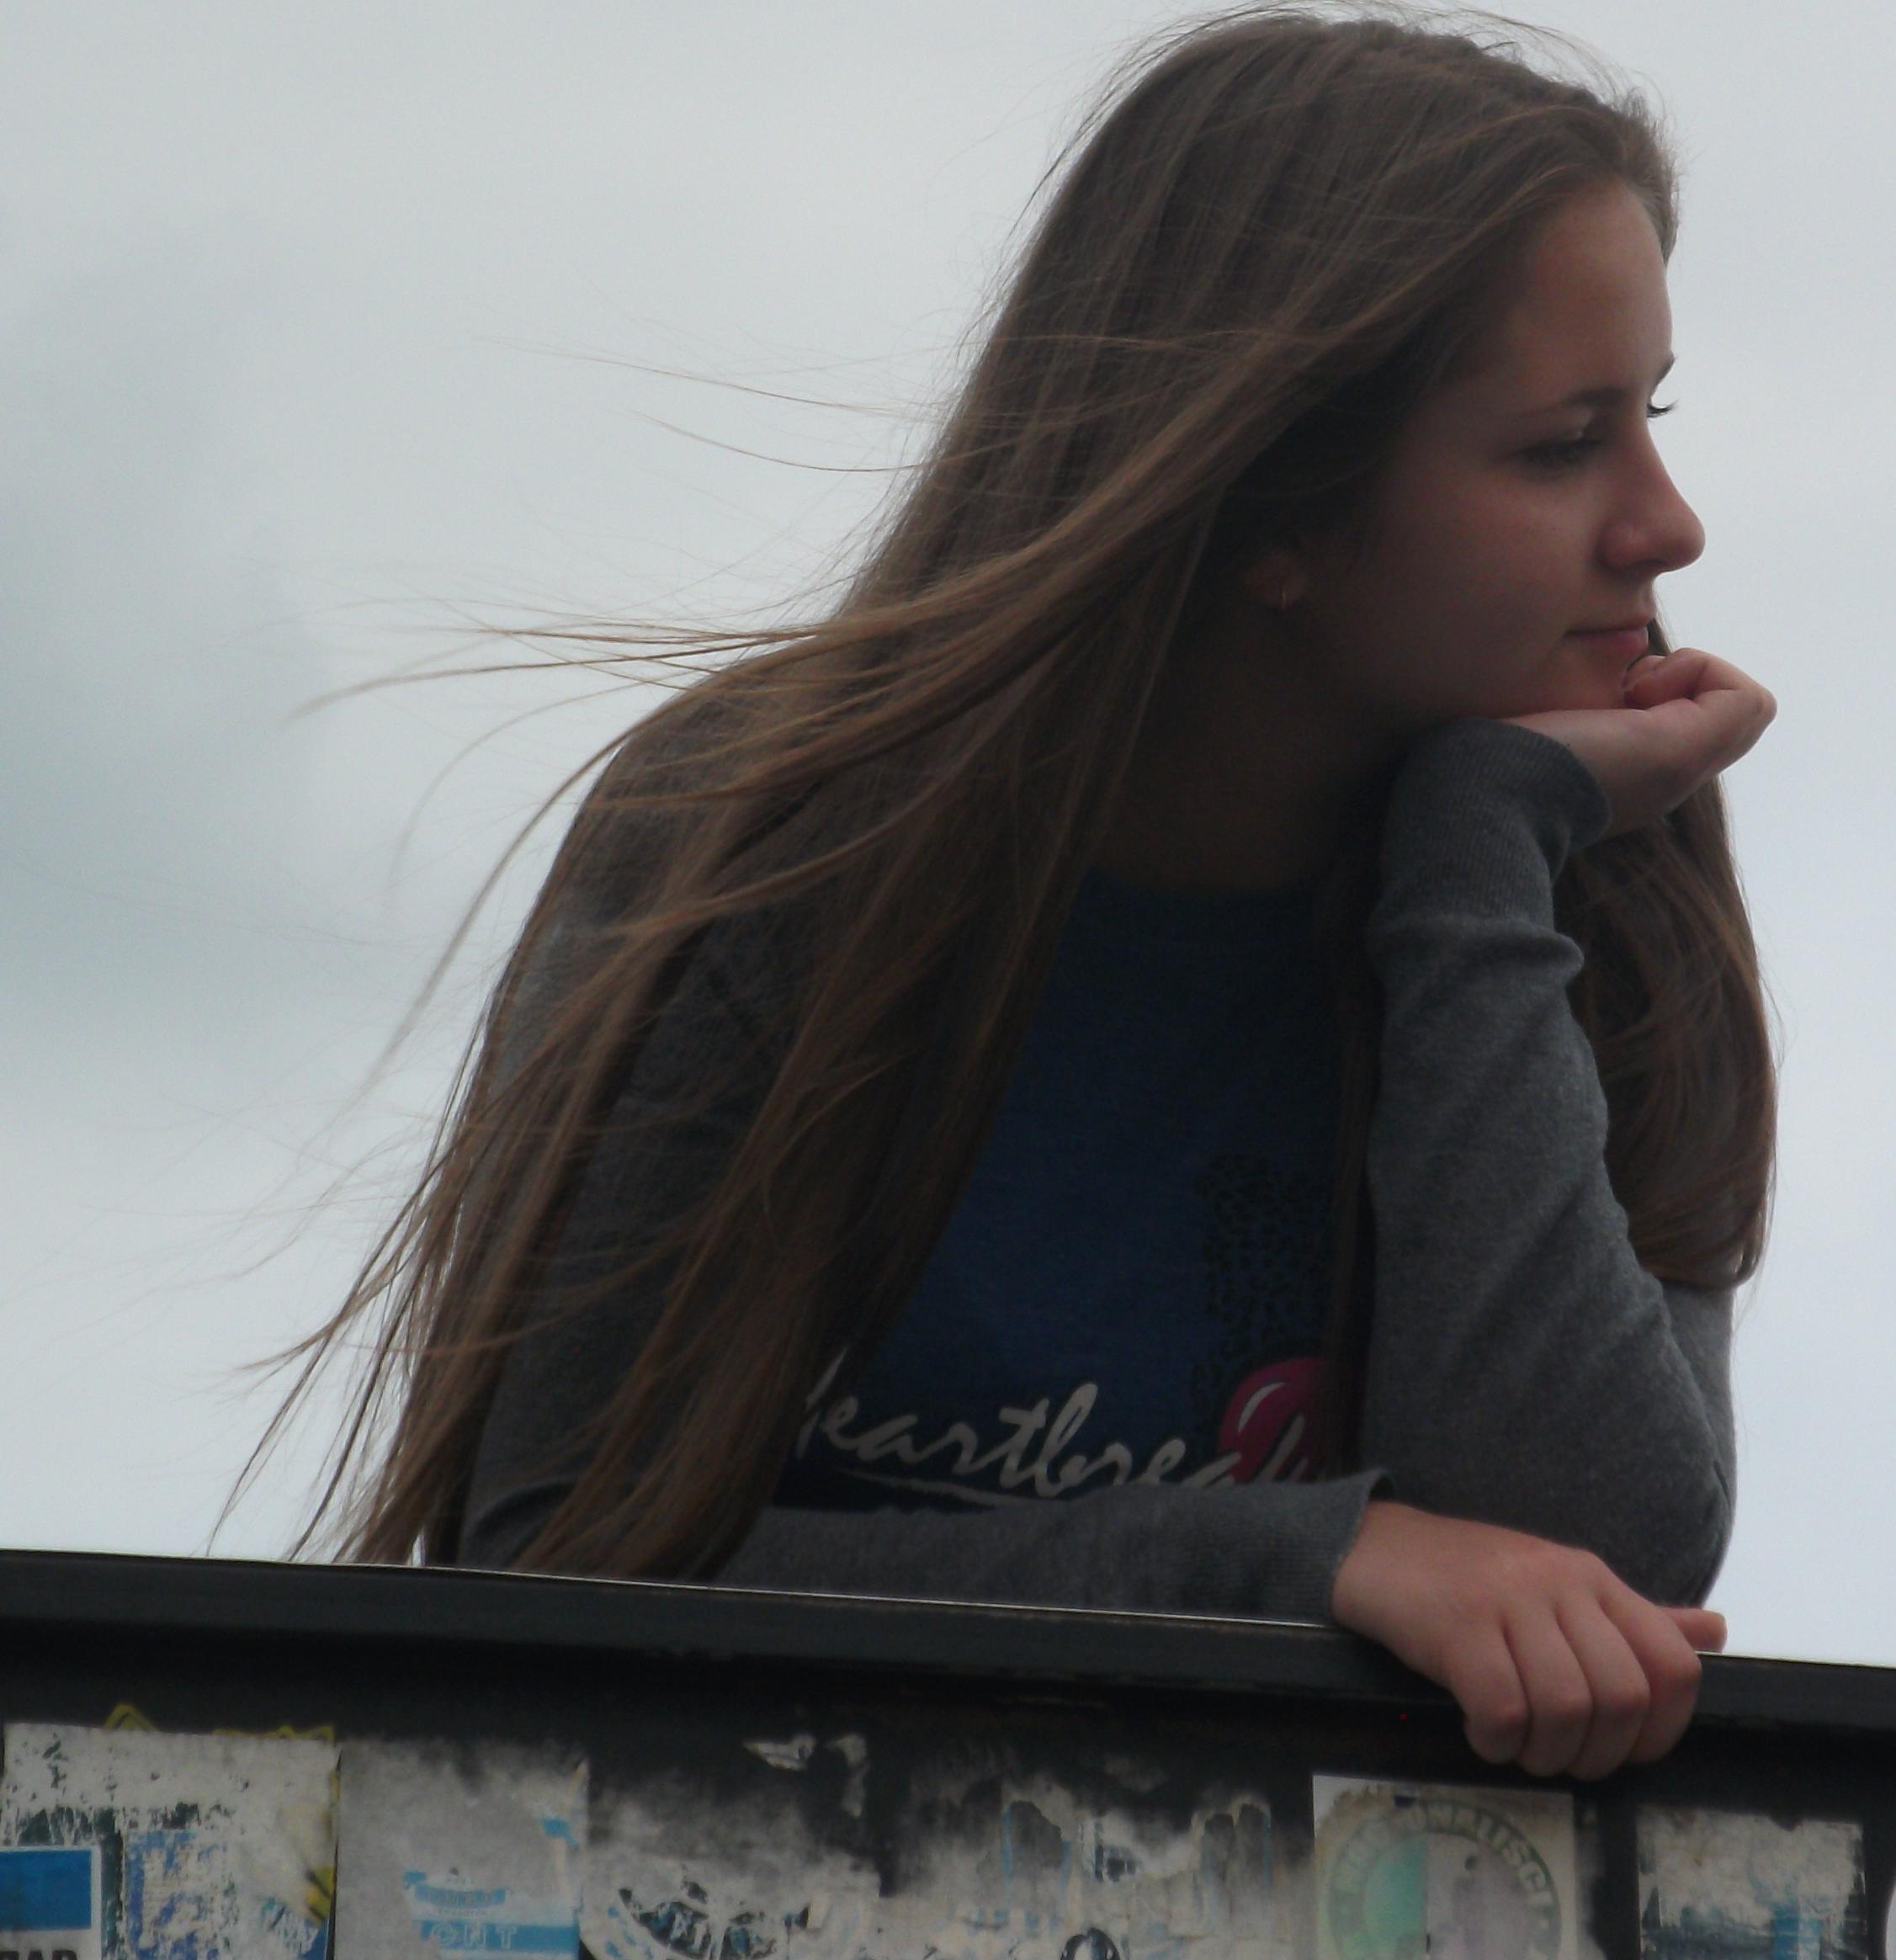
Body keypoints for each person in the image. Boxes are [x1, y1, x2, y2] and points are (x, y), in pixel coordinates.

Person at [276, 3, 1777, 1784]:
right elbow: (554, 1562)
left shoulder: (1581, 861)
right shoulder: (771, 847)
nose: (1669, 526)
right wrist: (1303, 1562)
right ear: (1272, 503)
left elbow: (1597, 1572)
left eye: (1651, 418)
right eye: (1563, 445)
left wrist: (1474, 864)